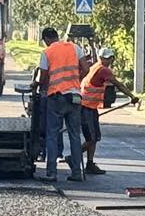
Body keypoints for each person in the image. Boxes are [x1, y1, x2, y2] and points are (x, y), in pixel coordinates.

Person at [38, 27, 85, 183]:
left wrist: (38, 86)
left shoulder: (47, 52)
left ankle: (52, 173)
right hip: (75, 96)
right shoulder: (75, 47)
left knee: (52, 134)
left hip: (56, 97)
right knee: (75, 135)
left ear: (46, 39)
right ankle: (77, 173)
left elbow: (43, 77)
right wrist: (76, 81)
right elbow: (86, 68)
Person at [78, 48, 129, 176]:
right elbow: (118, 84)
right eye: (106, 58)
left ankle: (90, 163)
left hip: (90, 107)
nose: (108, 60)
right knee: (91, 139)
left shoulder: (95, 67)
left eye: (110, 58)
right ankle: (74, 156)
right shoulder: (103, 70)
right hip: (86, 108)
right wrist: (132, 96)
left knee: (94, 138)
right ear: (101, 58)